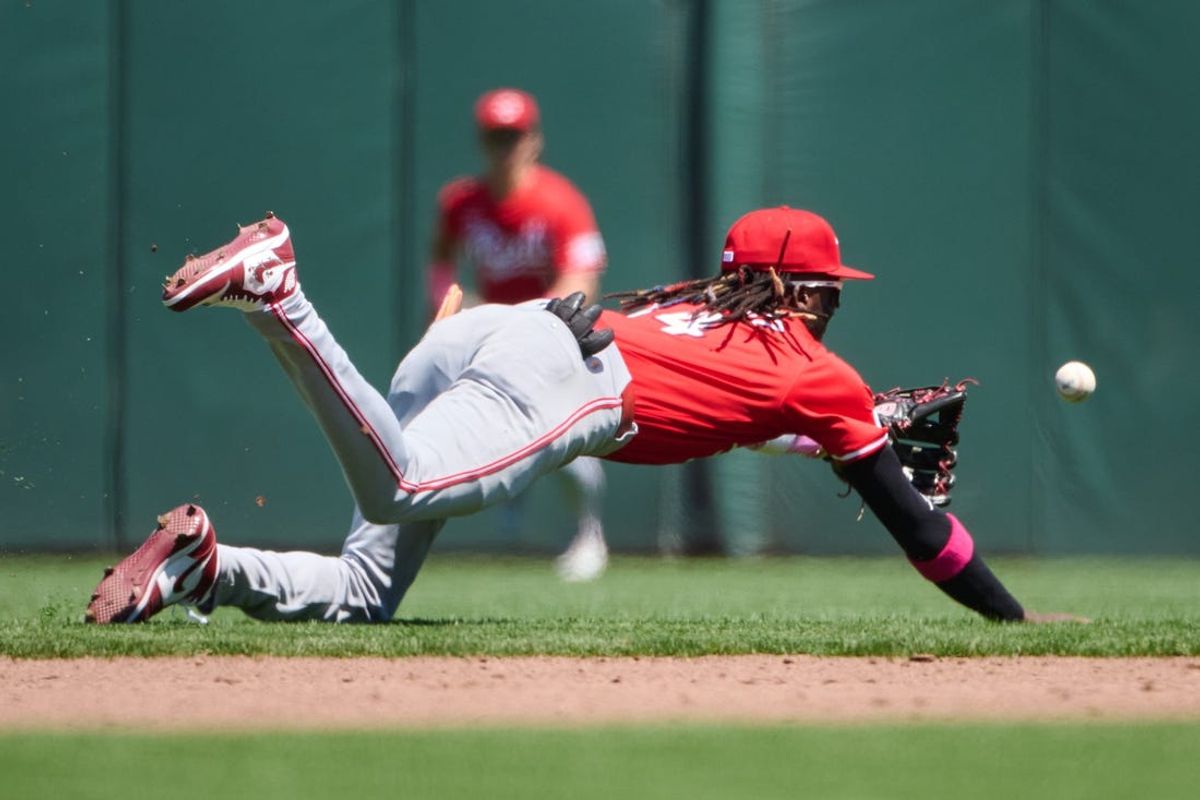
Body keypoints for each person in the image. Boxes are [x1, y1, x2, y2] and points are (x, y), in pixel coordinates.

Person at [86, 207, 1080, 625]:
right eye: (825, 288)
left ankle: (202, 566)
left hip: (485, 331)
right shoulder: (819, 372)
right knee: (398, 486)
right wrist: (1013, 615)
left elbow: (725, 405)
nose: (833, 302)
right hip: (569, 379)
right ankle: (280, 293)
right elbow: (920, 529)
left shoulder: (687, 308)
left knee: (362, 588)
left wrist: (846, 431)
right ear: (792, 286)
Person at [429, 88, 609, 581]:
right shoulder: (462, 201)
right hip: (488, 334)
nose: (504, 146)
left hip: (549, 332)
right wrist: (453, 306)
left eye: (514, 135)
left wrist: (536, 323)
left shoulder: (559, 201)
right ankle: (511, 489)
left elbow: (581, 277)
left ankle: (588, 533)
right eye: (495, 136)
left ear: (534, 140)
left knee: (565, 448)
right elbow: (440, 261)